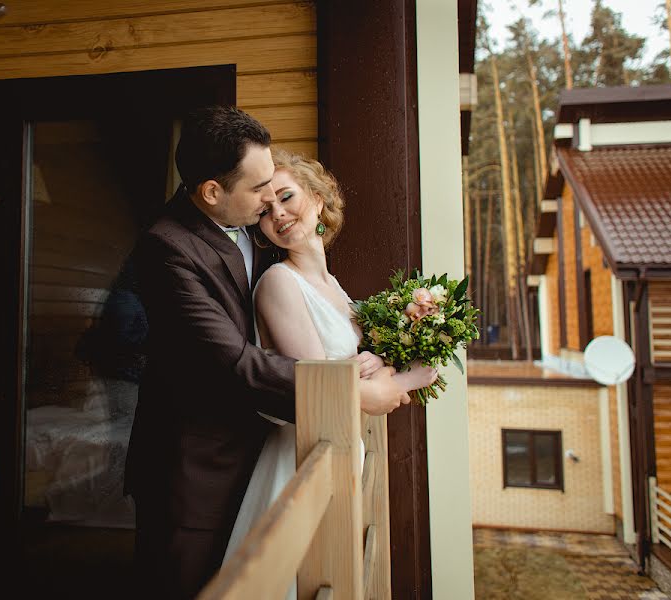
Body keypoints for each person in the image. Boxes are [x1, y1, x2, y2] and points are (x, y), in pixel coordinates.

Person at [124, 106, 411, 599]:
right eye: (258, 189)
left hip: (258, 455)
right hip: (194, 471)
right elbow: (234, 359)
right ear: (213, 192)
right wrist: (348, 393)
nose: (268, 203)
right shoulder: (166, 248)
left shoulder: (261, 233)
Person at [220, 149, 438, 599]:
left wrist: (380, 361)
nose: (277, 214)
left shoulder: (336, 289)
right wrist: (411, 378)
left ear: (318, 199)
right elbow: (320, 386)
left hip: (344, 448)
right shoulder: (279, 283)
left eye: (287, 197)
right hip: (303, 456)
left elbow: (348, 366)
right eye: (265, 210)